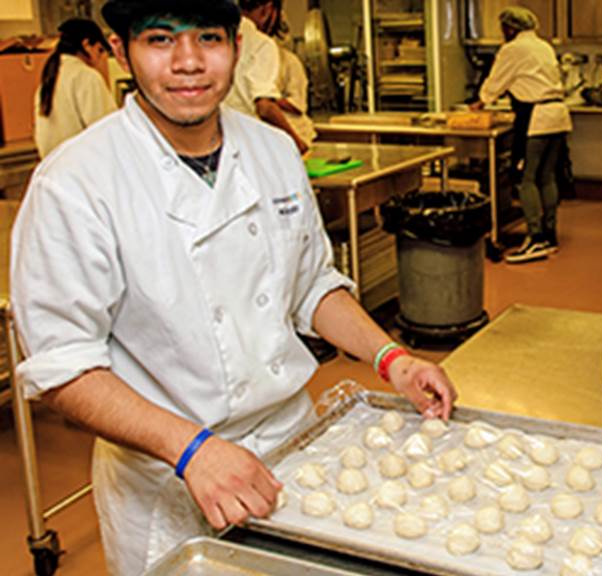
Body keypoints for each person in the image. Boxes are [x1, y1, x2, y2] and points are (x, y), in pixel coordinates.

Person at [11, 1, 456, 574]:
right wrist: (190, 450)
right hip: (166, 475)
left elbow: (311, 285)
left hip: (296, 454)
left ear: (237, 48)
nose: (189, 62)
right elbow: (64, 365)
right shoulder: (76, 183)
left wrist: (393, 358)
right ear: (121, 50)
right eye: (160, 40)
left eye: (209, 38)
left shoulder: (272, 151)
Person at [470, 6, 572, 264]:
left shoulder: (513, 49)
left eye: (503, 28)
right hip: (558, 116)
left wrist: (480, 102)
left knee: (525, 179)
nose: (502, 32)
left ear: (510, 28)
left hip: (535, 118)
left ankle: (535, 238)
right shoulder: (543, 46)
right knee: (546, 177)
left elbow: (496, 81)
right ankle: (549, 235)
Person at [224, 0, 309, 153]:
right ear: (268, 9)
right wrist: (296, 143)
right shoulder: (261, 44)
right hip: (250, 144)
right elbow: (264, 107)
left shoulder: (216, 36)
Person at [34, 18, 117, 158]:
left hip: (56, 166)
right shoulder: (86, 76)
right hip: (82, 167)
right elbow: (106, 129)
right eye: (100, 50)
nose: (100, 58)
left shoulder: (50, 76)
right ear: (86, 44)